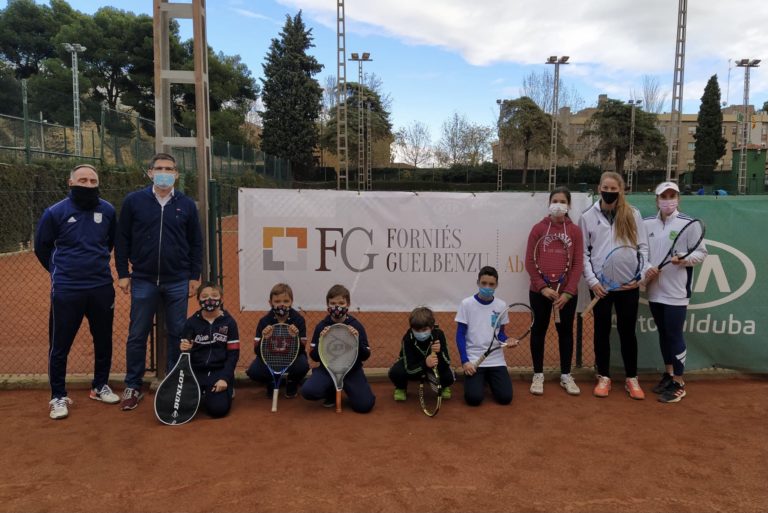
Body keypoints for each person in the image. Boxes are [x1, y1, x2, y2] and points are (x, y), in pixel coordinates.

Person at [115, 152, 203, 411]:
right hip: (142, 279)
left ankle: (174, 381)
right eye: (160, 168)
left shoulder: (186, 205)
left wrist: (194, 276)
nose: (164, 172)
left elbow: (196, 243)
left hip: (177, 280)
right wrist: (122, 273)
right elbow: (122, 240)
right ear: (150, 172)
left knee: (177, 332)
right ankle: (133, 385)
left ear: (176, 174)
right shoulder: (134, 201)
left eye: (170, 168)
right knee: (137, 333)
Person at [34, 164, 119, 419]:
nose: (88, 184)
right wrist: (62, 271)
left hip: (101, 287)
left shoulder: (107, 210)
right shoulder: (55, 212)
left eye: (93, 180)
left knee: (103, 339)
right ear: (70, 183)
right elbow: (42, 247)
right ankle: (58, 395)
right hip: (67, 289)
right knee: (60, 344)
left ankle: (99, 385)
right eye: (82, 180)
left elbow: (110, 242)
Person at [579, 171, 650, 400]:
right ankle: (604, 377)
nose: (609, 192)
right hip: (601, 287)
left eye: (614, 189)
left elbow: (643, 248)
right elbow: (584, 254)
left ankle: (632, 378)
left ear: (622, 190)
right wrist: (593, 282)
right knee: (601, 333)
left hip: (628, 287)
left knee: (627, 332)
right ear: (599, 188)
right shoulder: (587, 216)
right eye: (605, 188)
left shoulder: (633, 214)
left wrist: (639, 277)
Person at [643, 182, 707, 403]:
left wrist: (683, 260)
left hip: (677, 292)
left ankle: (679, 382)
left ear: (678, 198)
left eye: (672, 195)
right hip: (654, 290)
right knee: (663, 333)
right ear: (657, 199)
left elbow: (701, 254)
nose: (668, 199)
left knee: (674, 334)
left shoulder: (689, 224)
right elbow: (642, 253)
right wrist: (646, 268)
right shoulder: (647, 223)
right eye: (664, 196)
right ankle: (669, 374)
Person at [524, 186, 584, 396]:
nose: (558, 205)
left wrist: (568, 292)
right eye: (555, 200)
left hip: (566, 295)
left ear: (568, 206)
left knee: (565, 333)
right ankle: (538, 374)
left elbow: (577, 265)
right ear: (549, 203)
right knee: (538, 331)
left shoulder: (575, 231)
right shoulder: (538, 229)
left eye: (562, 201)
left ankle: (566, 375)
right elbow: (530, 262)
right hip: (539, 293)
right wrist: (542, 288)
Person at [301, 284, 376, 413]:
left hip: (352, 370)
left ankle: (350, 388)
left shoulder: (356, 326)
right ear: (327, 306)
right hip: (328, 369)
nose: (337, 307)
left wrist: (356, 341)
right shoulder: (321, 326)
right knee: (309, 391)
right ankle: (330, 390)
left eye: (341, 303)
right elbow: (313, 356)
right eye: (333, 303)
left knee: (364, 406)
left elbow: (366, 355)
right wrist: (322, 341)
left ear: (348, 304)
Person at [455, 266, 513, 406]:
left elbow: (501, 334)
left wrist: (508, 340)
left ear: (496, 285)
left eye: (491, 284)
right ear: (478, 283)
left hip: (495, 359)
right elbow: (460, 334)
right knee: (473, 399)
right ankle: (479, 379)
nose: (487, 287)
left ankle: (487, 378)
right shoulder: (466, 304)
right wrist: (465, 361)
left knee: (505, 398)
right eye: (484, 283)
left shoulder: (501, 306)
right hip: (474, 359)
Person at [179, 282, 239, 418]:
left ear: (221, 299)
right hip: (196, 371)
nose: (209, 299)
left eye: (214, 295)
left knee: (218, 410)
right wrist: (183, 348)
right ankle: (203, 391)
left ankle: (226, 388)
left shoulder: (229, 322)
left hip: (219, 371)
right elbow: (184, 351)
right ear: (198, 300)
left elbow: (233, 355)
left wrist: (225, 378)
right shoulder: (191, 322)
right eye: (204, 296)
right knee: (183, 408)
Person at [246, 283, 310, 398]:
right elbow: (257, 351)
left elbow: (302, 349)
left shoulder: (298, 320)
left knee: (303, 365)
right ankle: (271, 381)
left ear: (291, 302)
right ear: (270, 303)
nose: (282, 304)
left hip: (292, 358)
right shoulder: (264, 321)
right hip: (270, 358)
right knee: (253, 372)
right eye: (277, 301)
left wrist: (294, 338)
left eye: (286, 301)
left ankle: (291, 382)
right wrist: (264, 339)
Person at [388, 307, 455, 401]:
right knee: (396, 372)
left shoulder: (439, 335)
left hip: (433, 366)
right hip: (415, 366)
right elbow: (409, 369)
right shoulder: (408, 338)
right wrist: (425, 364)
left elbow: (446, 362)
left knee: (448, 376)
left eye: (424, 329)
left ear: (431, 327)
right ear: (411, 328)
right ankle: (401, 387)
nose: (421, 333)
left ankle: (443, 386)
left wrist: (439, 353)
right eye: (417, 330)